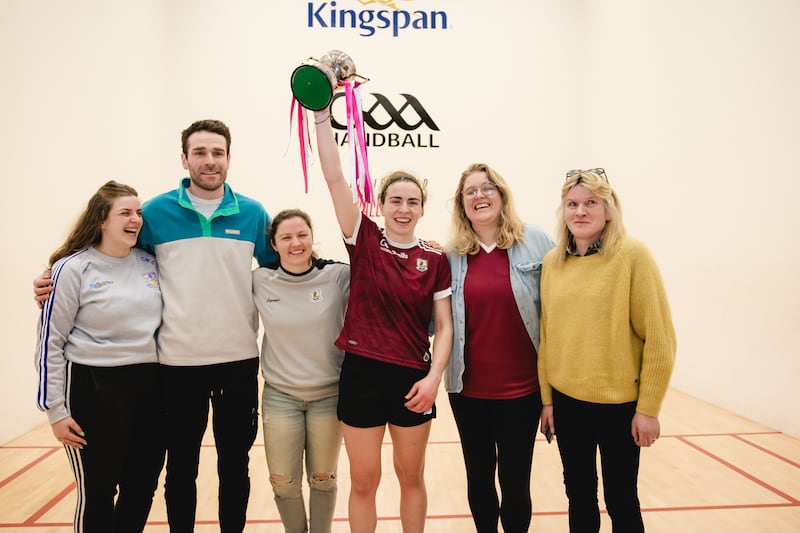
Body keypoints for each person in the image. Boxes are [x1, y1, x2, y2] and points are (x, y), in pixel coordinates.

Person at [34, 119, 277, 532]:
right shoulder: (156, 214)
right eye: (199, 152)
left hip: (238, 362)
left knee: (235, 466)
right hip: (175, 366)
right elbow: (110, 251)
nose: (209, 161)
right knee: (180, 468)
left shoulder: (254, 214)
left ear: (229, 158)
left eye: (217, 152)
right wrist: (53, 275)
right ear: (184, 158)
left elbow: (282, 271)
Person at [312, 107, 454, 533]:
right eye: (396, 200)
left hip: (413, 378)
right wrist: (321, 115)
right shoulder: (364, 237)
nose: (404, 208)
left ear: (422, 208)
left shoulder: (435, 258)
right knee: (364, 481)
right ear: (381, 203)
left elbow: (445, 327)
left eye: (413, 202)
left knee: (411, 478)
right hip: (361, 375)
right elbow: (335, 177)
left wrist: (433, 379)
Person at [538, 168, 677, 533]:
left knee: (621, 500)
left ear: (609, 209)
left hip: (619, 408)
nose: (580, 212)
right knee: (579, 497)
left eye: (590, 203)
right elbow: (547, 338)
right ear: (563, 211)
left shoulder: (633, 255)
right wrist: (548, 401)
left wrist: (648, 409)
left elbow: (660, 339)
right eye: (572, 204)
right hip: (568, 405)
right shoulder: (553, 263)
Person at [34, 180, 165, 532]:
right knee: (98, 492)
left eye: (138, 213)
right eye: (125, 212)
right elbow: (50, 343)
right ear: (101, 220)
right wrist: (56, 412)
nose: (135, 219)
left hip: (149, 389)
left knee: (141, 487)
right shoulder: (72, 268)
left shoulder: (152, 263)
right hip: (92, 390)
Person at [444, 163, 554, 533]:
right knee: (478, 479)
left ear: (502, 196)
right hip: (468, 392)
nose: (480, 196)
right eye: (471, 191)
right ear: (462, 204)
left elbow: (561, 305)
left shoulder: (536, 240)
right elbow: (435, 321)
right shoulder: (451, 255)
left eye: (488, 188)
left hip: (522, 392)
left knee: (515, 481)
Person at [253, 208, 350, 533]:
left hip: (329, 397)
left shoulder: (338, 276)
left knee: (323, 479)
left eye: (302, 235)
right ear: (274, 244)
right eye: (286, 237)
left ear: (311, 237)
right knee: (283, 482)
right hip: (280, 399)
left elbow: (383, 272)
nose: (296, 243)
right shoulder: (260, 279)